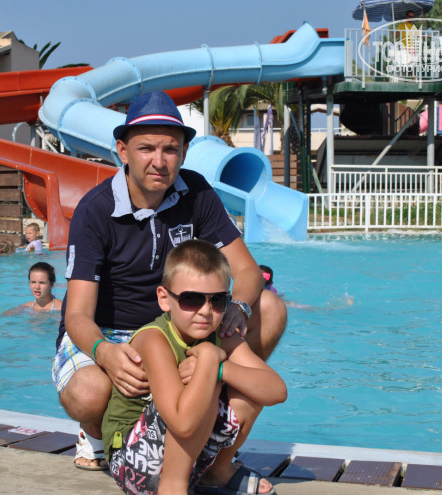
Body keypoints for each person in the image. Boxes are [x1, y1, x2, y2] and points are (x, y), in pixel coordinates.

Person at [52, 91, 287, 474]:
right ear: (123, 151)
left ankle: (215, 443)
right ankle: (95, 433)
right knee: (91, 393)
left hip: (181, 323)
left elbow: (247, 270)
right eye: (146, 148)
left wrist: (239, 309)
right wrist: (105, 352)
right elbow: (77, 314)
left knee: (271, 308)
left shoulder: (197, 194)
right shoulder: (95, 211)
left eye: (170, 149)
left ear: (184, 151)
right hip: (110, 331)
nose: (159, 161)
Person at [103, 240, 285, 495]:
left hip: (186, 452)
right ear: (165, 299)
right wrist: (209, 363)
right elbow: (182, 423)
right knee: (204, 383)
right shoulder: (154, 340)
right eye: (191, 299)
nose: (206, 311)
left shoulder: (220, 334)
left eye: (218, 300)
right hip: (133, 463)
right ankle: (173, 488)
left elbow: (276, 390)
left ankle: (215, 474)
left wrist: (222, 370)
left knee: (246, 386)